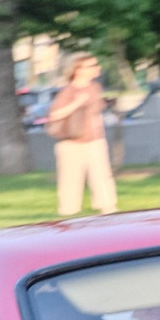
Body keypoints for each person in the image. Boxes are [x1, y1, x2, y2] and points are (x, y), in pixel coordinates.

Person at [47, 56, 118, 217]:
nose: (97, 67)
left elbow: (96, 115)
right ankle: (69, 214)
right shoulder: (68, 91)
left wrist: (100, 135)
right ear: (78, 70)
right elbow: (54, 115)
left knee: (102, 176)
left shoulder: (95, 87)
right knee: (71, 180)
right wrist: (77, 103)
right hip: (72, 143)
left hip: (95, 140)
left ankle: (108, 209)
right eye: (91, 65)